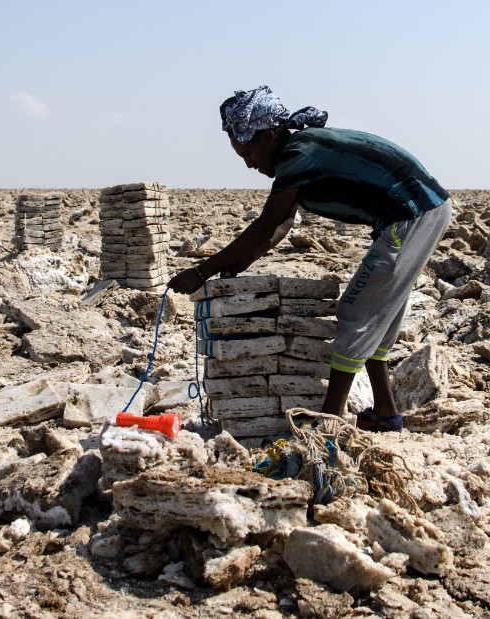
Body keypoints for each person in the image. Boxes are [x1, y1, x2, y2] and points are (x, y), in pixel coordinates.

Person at [168, 85, 454, 430]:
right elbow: (285, 222)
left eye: (248, 154)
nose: (248, 165)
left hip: (412, 215)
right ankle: (384, 412)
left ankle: (330, 420)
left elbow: (265, 225)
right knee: (379, 314)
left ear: (270, 136)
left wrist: (201, 270)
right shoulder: (302, 150)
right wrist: (245, 261)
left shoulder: (299, 154)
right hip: (421, 212)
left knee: (355, 313)